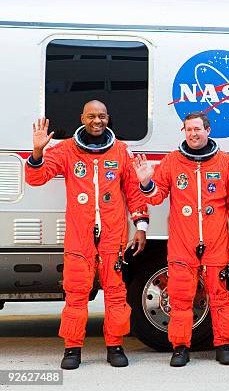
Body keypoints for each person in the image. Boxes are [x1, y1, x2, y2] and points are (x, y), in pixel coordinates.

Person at [25, 100, 149, 370]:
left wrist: (141, 226)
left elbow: (134, 192)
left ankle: (115, 345)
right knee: (76, 293)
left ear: (108, 118)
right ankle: (72, 349)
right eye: (91, 116)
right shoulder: (67, 149)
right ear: (82, 118)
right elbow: (36, 178)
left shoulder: (120, 151)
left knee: (116, 292)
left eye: (102, 116)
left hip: (113, 234)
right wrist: (37, 152)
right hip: (79, 235)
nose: (97, 121)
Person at [133, 111, 229, 367]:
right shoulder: (172, 162)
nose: (193, 134)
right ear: (184, 132)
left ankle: (223, 344)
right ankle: (180, 347)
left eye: (197, 129)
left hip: (215, 240)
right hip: (183, 241)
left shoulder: (225, 162)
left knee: (219, 294)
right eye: (188, 129)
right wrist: (147, 182)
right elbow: (156, 196)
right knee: (180, 296)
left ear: (208, 130)